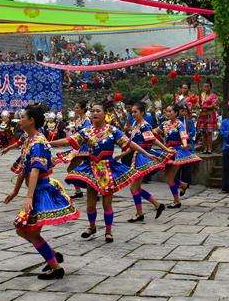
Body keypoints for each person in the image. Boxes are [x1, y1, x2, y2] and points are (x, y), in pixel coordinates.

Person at [50, 102, 159, 242]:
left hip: (108, 169)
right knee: (90, 203)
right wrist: (49, 143)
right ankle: (92, 226)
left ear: (104, 114)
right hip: (91, 169)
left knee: (107, 203)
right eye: (92, 111)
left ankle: (108, 231)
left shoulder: (113, 131)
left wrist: (147, 154)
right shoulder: (86, 131)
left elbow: (130, 143)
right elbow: (68, 140)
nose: (94, 113)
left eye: (97, 111)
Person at [5, 102, 78, 280]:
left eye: (23, 117)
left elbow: (36, 170)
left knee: (28, 231)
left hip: (41, 190)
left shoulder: (37, 142)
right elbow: (24, 168)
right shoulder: (29, 139)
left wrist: (29, 196)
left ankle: (56, 267)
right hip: (34, 189)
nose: (20, 119)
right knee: (23, 229)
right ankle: (52, 256)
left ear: (31, 121)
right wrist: (15, 191)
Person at [124, 102, 171, 222]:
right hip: (136, 156)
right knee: (136, 188)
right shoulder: (135, 124)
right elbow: (132, 144)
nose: (133, 114)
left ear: (142, 112)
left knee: (134, 188)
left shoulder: (145, 125)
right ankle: (156, 205)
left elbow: (153, 140)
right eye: (132, 112)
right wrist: (121, 154)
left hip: (143, 157)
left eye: (136, 112)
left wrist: (165, 149)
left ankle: (141, 213)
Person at [157, 104, 202, 209]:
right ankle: (183, 185)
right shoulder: (164, 124)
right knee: (168, 177)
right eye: (167, 111)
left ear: (176, 113)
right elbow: (155, 132)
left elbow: (183, 135)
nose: (168, 113)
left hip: (177, 152)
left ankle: (177, 201)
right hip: (167, 151)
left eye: (170, 111)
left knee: (170, 179)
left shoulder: (179, 124)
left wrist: (185, 144)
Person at [197, 80, 219, 153]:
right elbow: (198, 104)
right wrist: (199, 105)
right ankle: (205, 148)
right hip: (202, 115)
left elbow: (214, 105)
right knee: (203, 132)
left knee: (209, 132)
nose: (205, 88)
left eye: (207, 86)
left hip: (210, 115)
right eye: (204, 86)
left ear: (210, 87)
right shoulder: (201, 95)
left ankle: (209, 148)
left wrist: (205, 106)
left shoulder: (214, 96)